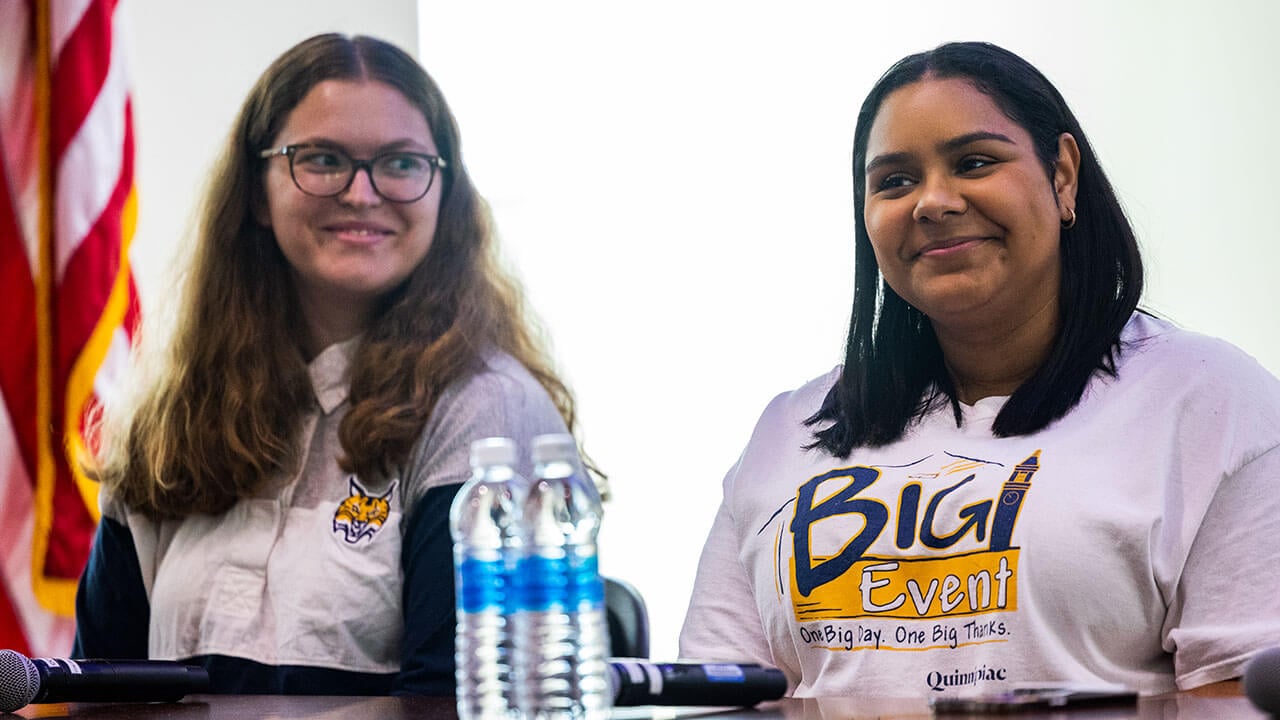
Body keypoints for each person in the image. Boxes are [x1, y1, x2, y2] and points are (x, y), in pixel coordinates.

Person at [678, 41, 1280, 699]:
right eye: (894, 181)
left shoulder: (1211, 402)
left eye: (974, 162)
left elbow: (1238, 696)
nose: (932, 202)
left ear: (1064, 178)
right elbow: (722, 697)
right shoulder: (786, 433)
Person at [73, 33, 583, 695]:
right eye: (321, 159)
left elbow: (452, 704)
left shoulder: (486, 411)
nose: (362, 193)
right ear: (257, 192)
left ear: (443, 194)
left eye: (401, 163)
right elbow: (101, 689)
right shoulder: (173, 415)